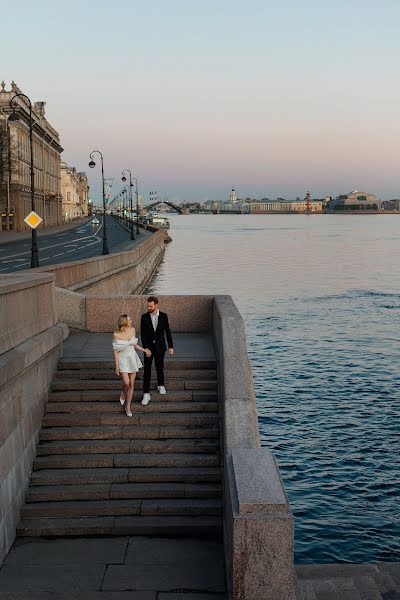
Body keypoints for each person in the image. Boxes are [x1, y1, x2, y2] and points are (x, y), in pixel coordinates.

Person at [112, 314, 151, 417]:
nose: (131, 321)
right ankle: (124, 393)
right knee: (126, 382)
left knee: (132, 383)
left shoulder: (132, 330)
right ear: (124, 321)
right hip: (123, 359)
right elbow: (116, 352)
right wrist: (116, 366)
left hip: (132, 358)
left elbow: (134, 344)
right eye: (130, 319)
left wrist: (145, 350)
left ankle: (128, 406)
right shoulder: (116, 334)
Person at [140, 296, 174, 406]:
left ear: (156, 305)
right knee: (147, 370)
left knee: (159, 366)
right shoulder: (144, 317)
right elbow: (143, 334)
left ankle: (161, 385)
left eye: (151, 306)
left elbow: (167, 331)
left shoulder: (164, 316)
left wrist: (171, 346)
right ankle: (146, 393)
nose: (149, 308)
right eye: (148, 306)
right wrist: (145, 348)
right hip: (148, 348)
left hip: (160, 347)